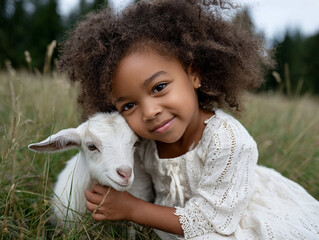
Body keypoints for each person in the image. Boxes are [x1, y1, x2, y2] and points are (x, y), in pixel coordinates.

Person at [58, 0, 319, 239]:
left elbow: (210, 222)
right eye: (128, 105)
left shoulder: (227, 141)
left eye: (159, 87)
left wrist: (133, 210)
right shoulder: (142, 141)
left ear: (194, 74)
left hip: (228, 219)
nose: (149, 112)